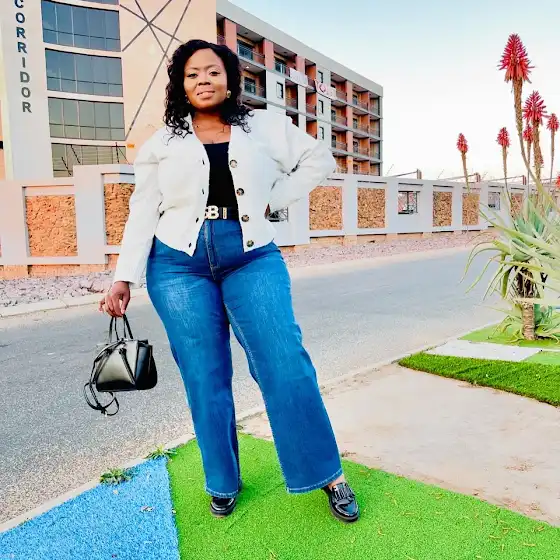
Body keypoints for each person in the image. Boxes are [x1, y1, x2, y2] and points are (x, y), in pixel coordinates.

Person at [99, 39, 359, 523]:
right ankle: (222, 480)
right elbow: (143, 210)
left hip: (252, 256)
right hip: (177, 264)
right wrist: (123, 278)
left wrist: (273, 199)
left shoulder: (263, 126)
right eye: (193, 74)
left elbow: (318, 159)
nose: (204, 80)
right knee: (205, 375)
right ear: (181, 84)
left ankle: (327, 473)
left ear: (230, 79)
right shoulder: (163, 143)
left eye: (213, 72)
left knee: (285, 361)